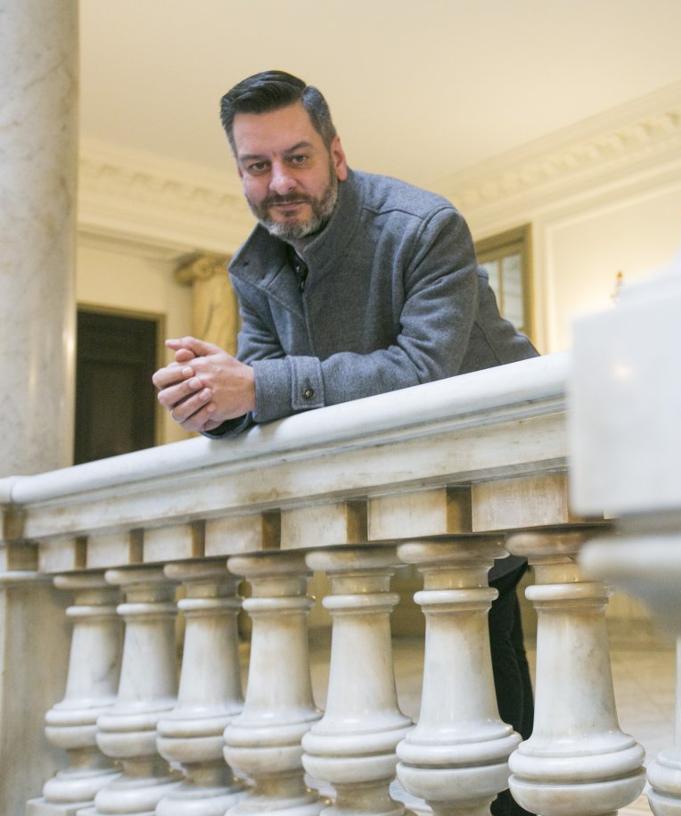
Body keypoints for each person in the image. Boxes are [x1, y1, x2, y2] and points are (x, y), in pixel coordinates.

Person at [151, 70, 537, 816]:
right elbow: (262, 385)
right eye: (256, 166)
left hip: (498, 460)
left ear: (337, 154)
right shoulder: (256, 264)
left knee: (492, 637)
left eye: (297, 158)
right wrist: (214, 403)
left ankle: (517, 801)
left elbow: (421, 369)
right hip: (393, 474)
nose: (278, 182)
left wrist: (255, 388)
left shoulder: (426, 227)